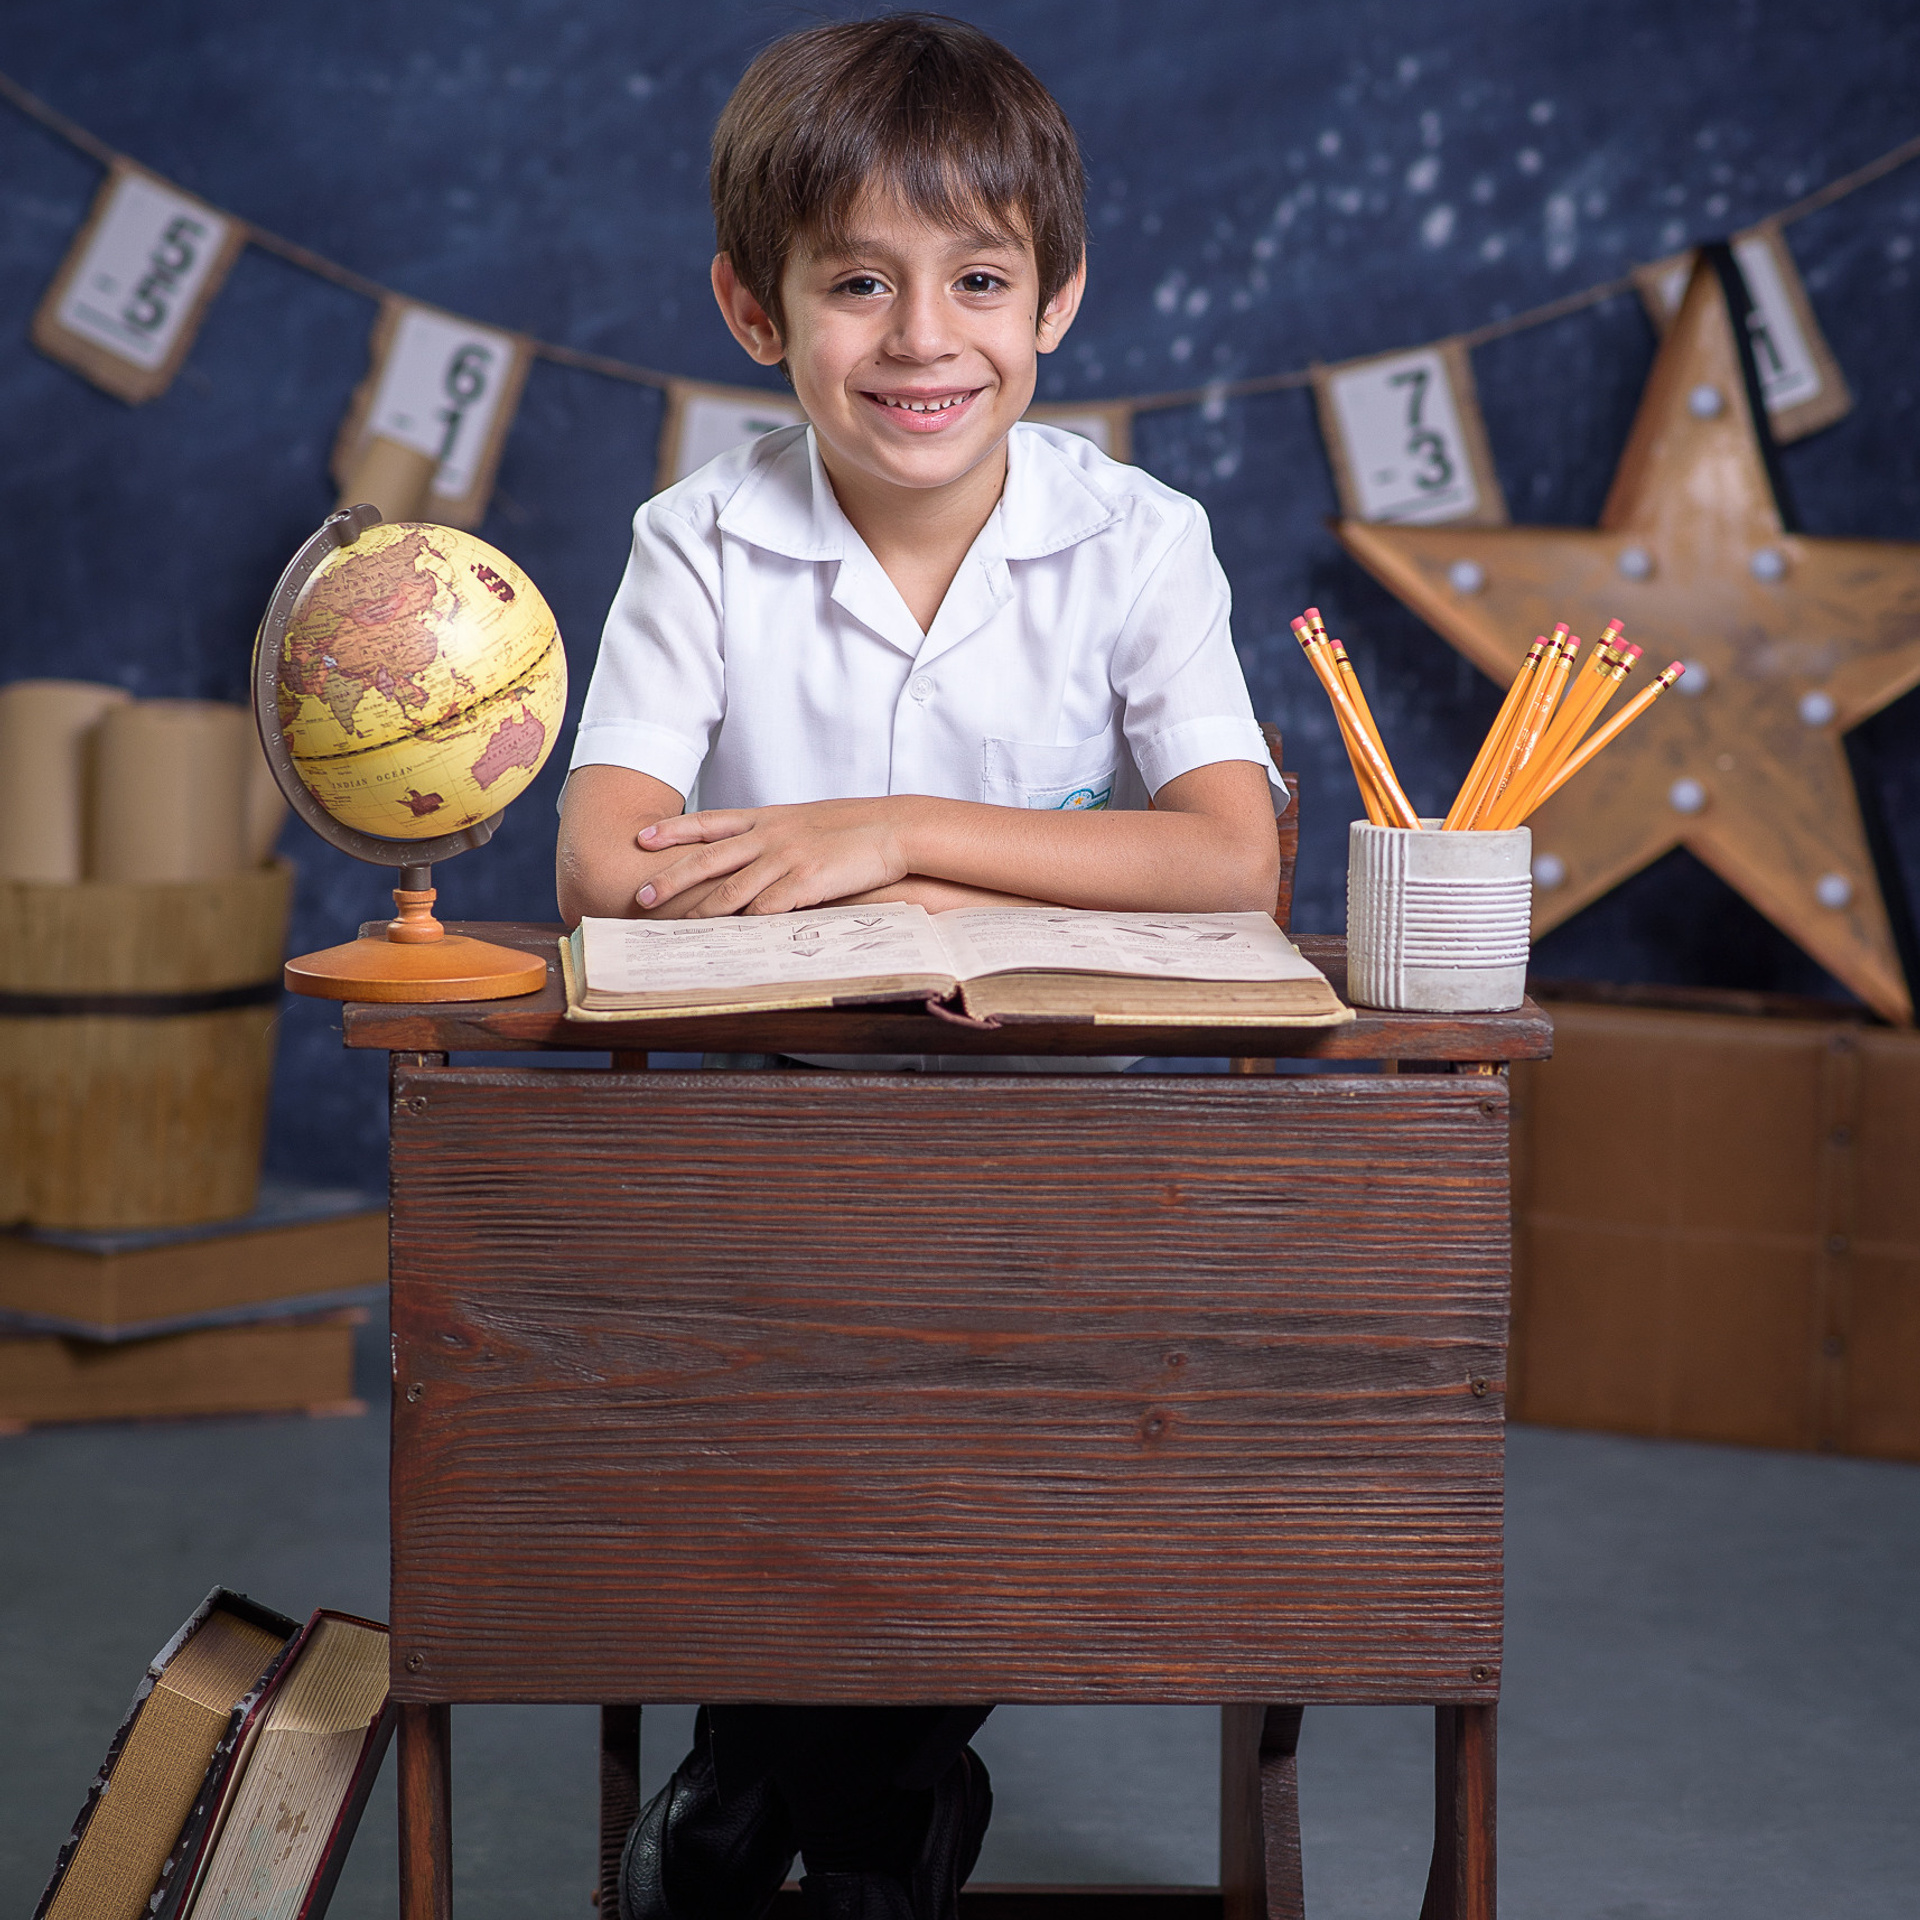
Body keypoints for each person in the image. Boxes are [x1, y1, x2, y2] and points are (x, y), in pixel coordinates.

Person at [556, 15, 1283, 1920]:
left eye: (977, 281)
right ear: (752, 307)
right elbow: (603, 863)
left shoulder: (1138, 540)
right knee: (779, 1434)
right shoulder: (697, 539)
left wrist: (894, 830)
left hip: (1067, 1156)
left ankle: (776, 1793)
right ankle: (870, 1811)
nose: (920, 341)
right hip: (764, 1145)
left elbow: (1231, 857)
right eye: (855, 286)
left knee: (978, 1448)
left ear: (1060, 304)